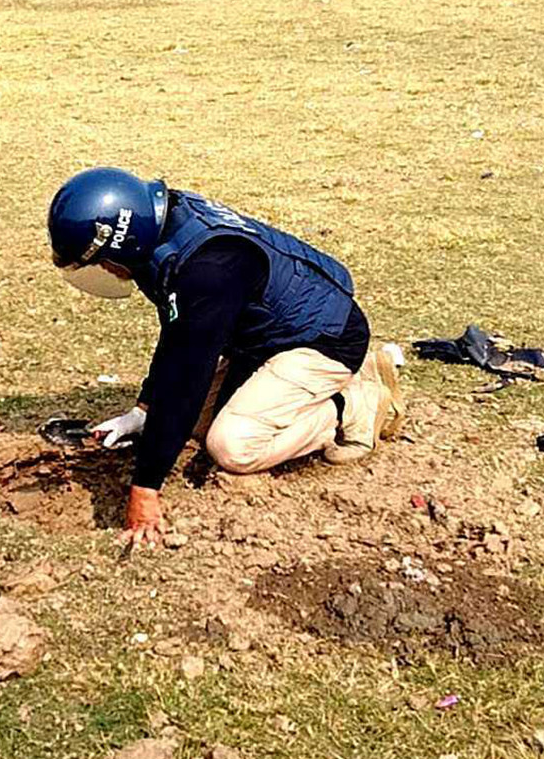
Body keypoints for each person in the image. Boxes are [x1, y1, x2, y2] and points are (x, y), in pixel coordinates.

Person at [46, 168, 404, 551]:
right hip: (264, 337)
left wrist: (145, 488)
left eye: (101, 263)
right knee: (195, 423)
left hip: (324, 338)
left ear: (121, 246)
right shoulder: (157, 233)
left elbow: (187, 375)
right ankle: (317, 393)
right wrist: (144, 410)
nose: (103, 272)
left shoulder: (208, 269)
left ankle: (351, 404)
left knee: (233, 446)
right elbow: (178, 333)